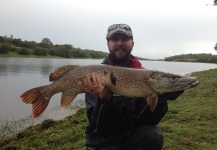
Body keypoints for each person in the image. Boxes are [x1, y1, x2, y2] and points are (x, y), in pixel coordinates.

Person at [78, 24, 183, 150]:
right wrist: (104, 100)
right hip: (103, 142)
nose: (120, 43)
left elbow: (145, 121)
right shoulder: (96, 76)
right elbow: (99, 128)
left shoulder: (144, 76)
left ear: (132, 44)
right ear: (108, 44)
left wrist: (160, 101)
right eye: (115, 39)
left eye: (125, 39)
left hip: (129, 138)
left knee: (153, 135)